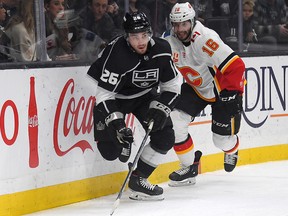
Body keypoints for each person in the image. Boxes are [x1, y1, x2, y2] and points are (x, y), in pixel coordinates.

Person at [87, 11, 180, 200]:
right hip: (115, 98)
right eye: (135, 36)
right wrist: (117, 123)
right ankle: (123, 141)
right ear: (126, 37)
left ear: (150, 33)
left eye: (144, 35)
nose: (141, 41)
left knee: (165, 136)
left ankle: (138, 179)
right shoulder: (116, 54)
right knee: (110, 152)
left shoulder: (162, 49)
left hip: (144, 96)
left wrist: (162, 108)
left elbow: (174, 83)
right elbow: (104, 95)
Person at [163, 2, 245, 187]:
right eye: (176, 24)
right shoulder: (169, 40)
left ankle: (231, 148)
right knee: (175, 119)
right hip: (196, 89)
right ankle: (189, 167)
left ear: (192, 21)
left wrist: (234, 93)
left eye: (184, 24)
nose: (180, 29)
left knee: (220, 141)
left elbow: (236, 66)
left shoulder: (205, 39)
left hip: (220, 91)